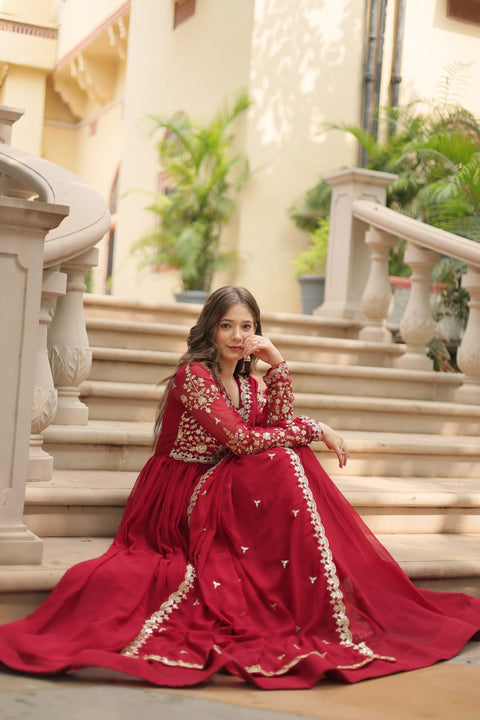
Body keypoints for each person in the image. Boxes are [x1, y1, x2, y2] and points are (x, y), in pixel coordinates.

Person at [0, 285, 479, 690]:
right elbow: (243, 439)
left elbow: (272, 424)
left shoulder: (249, 382)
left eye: (247, 326)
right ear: (210, 328)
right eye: (227, 325)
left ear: (257, 331)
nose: (237, 336)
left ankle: (313, 595)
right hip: (179, 489)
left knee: (285, 457)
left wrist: (280, 365)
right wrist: (316, 427)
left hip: (221, 477)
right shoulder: (194, 377)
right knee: (282, 455)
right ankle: (311, 590)